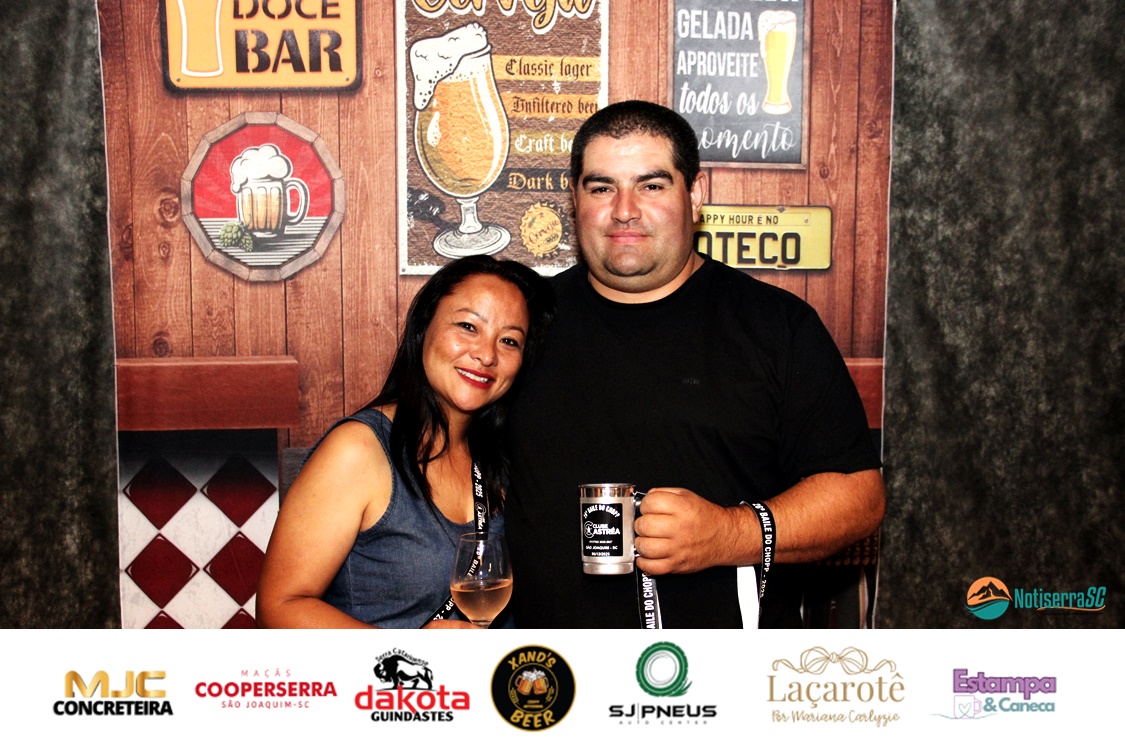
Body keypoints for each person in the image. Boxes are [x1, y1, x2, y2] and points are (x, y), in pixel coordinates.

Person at [504, 100, 886, 628]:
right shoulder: (521, 325)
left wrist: (730, 534)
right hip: (551, 667)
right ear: (575, 199)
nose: (624, 209)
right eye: (601, 188)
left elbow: (858, 498)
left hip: (727, 669)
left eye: (651, 185)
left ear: (695, 194)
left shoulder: (776, 325)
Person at [257, 256, 553, 628]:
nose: (487, 354)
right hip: (387, 669)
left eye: (509, 341)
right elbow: (278, 608)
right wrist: (410, 650)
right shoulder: (358, 449)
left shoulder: (505, 456)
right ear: (423, 327)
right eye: (468, 326)